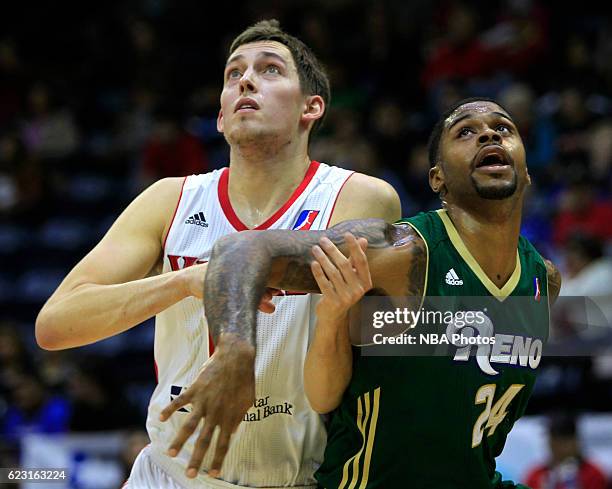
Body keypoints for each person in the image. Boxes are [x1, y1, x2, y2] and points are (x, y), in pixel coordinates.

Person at [35, 19, 400, 489]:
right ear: (221, 117)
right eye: (233, 74)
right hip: (165, 475)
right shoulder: (168, 199)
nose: (246, 80)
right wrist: (183, 281)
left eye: (270, 70)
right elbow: (54, 325)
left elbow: (350, 366)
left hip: (291, 477)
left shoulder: (358, 198)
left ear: (312, 107)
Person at [171, 98, 562, 488]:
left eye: (504, 128)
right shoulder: (401, 253)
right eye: (465, 132)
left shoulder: (543, 280)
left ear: (526, 172)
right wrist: (235, 349)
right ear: (437, 179)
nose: (489, 134)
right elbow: (240, 250)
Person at [524, 413, 607, 489]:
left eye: (563, 442)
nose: (557, 448)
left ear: (575, 442)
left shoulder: (593, 475)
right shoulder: (536, 476)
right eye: (553, 441)